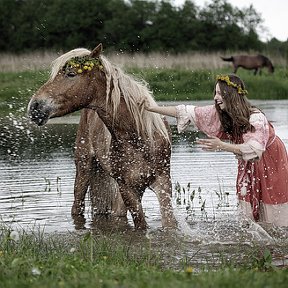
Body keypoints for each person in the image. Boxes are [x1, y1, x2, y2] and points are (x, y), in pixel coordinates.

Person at [143, 74, 288, 227]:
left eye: (220, 93)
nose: (216, 98)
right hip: (247, 159)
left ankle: (277, 236)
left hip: (270, 158)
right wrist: (151, 108)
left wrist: (222, 145)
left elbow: (255, 150)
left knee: (272, 199)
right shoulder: (220, 113)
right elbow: (187, 111)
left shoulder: (256, 118)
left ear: (230, 95)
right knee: (246, 199)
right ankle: (252, 231)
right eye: (215, 93)